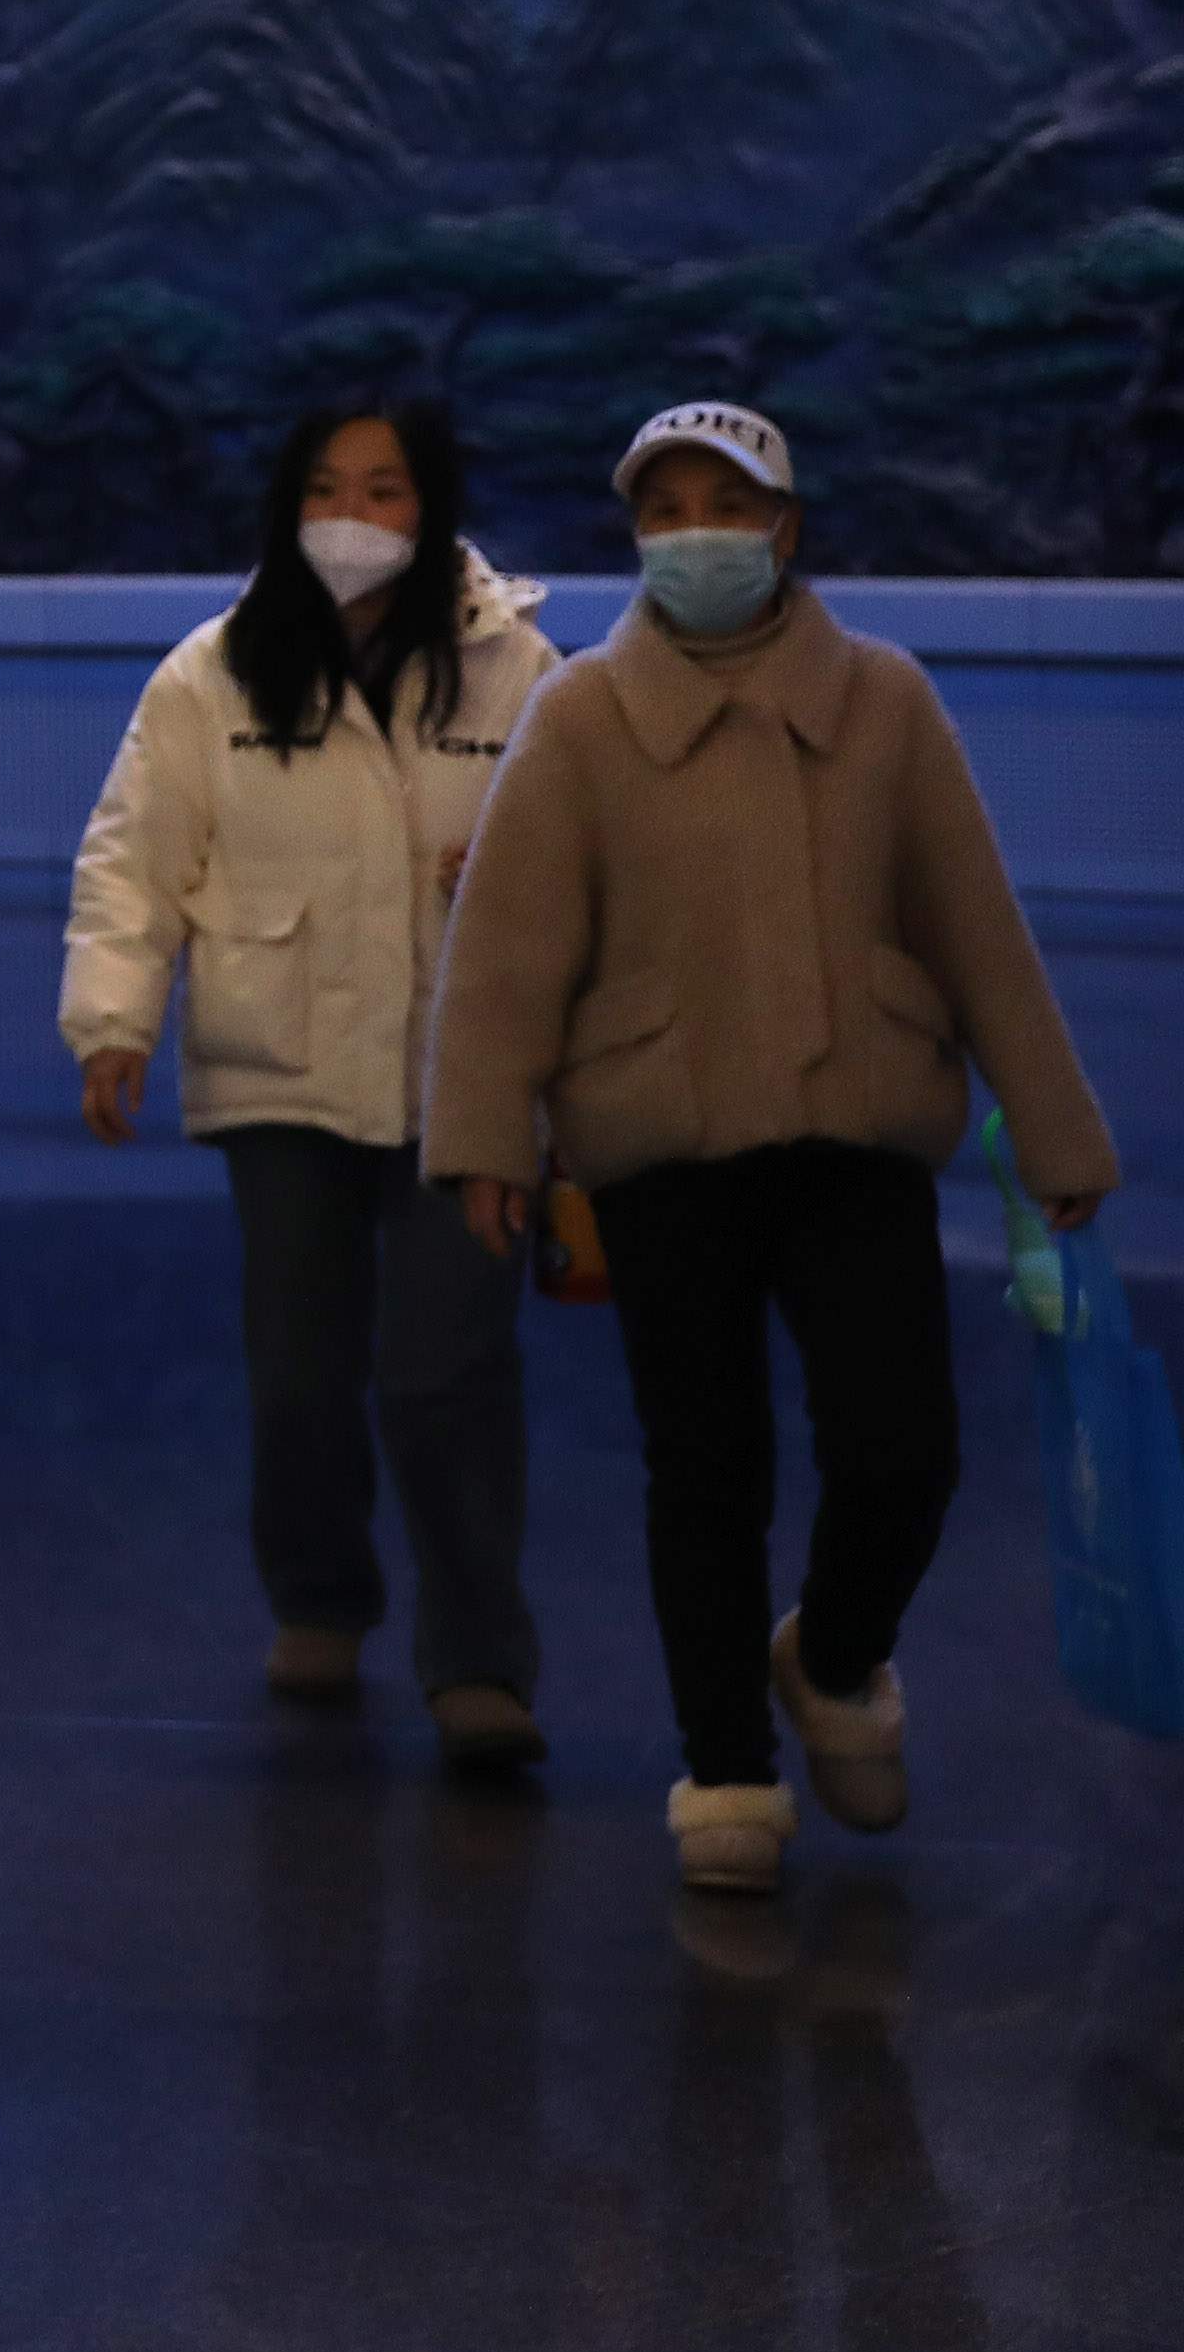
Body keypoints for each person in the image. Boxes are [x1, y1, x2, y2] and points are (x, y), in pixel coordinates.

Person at [426, 403, 1118, 1897]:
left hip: (856, 1125)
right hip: (659, 1135)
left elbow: (977, 929)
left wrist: (1058, 1127)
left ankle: (838, 1656)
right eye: (665, 511)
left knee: (904, 1450)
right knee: (705, 1465)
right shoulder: (583, 716)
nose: (696, 536)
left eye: (726, 508)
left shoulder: (886, 702)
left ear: (785, 529)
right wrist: (487, 1135)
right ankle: (726, 1767)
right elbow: (507, 948)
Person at [59, 399, 558, 1769]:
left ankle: (479, 1663)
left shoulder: (518, 669)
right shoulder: (212, 673)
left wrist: (510, 876)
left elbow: (583, 856)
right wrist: (113, 1020)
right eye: (328, 488)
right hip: (278, 1066)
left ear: (432, 505)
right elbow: (133, 858)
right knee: (299, 1374)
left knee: (449, 1372)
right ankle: (321, 1600)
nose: (354, 516)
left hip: (463, 1074)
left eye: (385, 489)